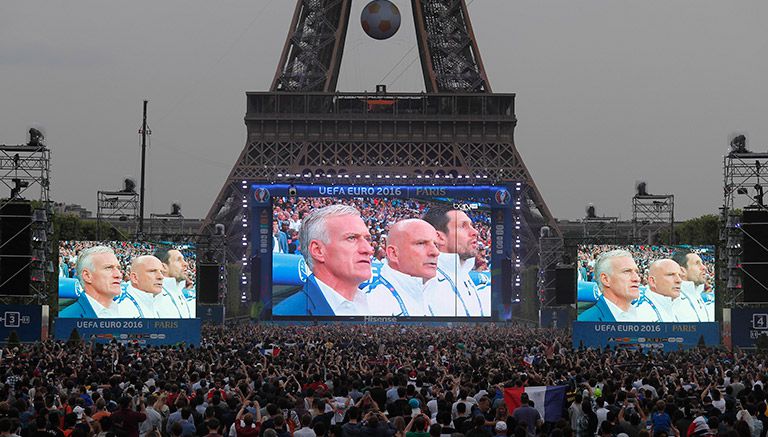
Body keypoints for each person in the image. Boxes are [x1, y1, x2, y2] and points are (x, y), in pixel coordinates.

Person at [273, 205, 374, 316]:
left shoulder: (374, 304)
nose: (368, 249)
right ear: (318, 250)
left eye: (368, 239)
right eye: (351, 238)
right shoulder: (286, 315)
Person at [422, 206, 487, 317]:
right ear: (439, 237)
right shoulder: (426, 284)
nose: (475, 232)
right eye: (463, 226)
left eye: (471, 225)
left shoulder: (463, 272)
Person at [367, 219, 440, 316]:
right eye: (421, 243)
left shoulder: (439, 292)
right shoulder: (374, 305)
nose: (435, 252)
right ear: (394, 254)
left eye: (435, 244)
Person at [579, 250, 648, 322]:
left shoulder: (644, 315)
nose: (637, 279)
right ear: (605, 279)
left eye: (637, 272)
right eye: (627, 271)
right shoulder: (586, 321)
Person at [59, 246, 122, 318]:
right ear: (87, 276)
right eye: (108, 268)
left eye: (118, 268)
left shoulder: (124, 311)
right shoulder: (66, 318)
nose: (118, 275)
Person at [640, 259, 705, 322]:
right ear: (653, 281)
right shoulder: (642, 313)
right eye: (671, 275)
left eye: (679, 275)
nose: (679, 280)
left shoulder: (677, 305)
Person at [154, 247, 195, 318]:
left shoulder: (179, 291)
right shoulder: (154, 297)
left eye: (184, 259)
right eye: (178, 260)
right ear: (163, 267)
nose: (185, 264)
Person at [672, 250, 713, 321]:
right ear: (682, 271)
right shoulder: (672, 303)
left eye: (702, 263)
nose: (704, 268)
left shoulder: (698, 295)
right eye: (697, 263)